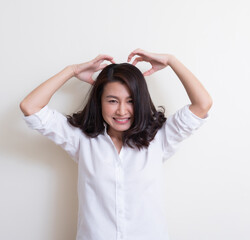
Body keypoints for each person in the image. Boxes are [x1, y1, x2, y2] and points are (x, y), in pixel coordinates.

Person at [20, 48, 213, 240]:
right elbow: (31, 106)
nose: (122, 111)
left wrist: (171, 60)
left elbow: (203, 103)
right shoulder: (81, 139)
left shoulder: (160, 138)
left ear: (141, 101)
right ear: (99, 101)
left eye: (130, 101)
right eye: (112, 101)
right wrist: (72, 70)